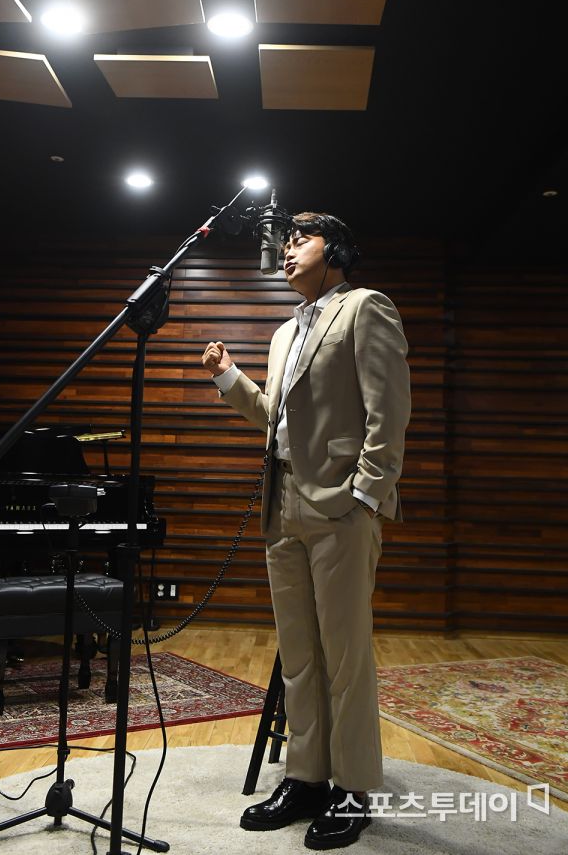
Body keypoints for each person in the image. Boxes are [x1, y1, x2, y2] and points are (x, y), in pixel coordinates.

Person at [202, 212, 411, 850]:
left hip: (341, 508)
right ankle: (306, 776)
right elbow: (273, 415)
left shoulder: (365, 307)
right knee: (299, 655)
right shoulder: (284, 331)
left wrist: (366, 498)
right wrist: (228, 377)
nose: (287, 249)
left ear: (337, 250)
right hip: (283, 503)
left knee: (345, 656)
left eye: (302, 239)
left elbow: (389, 410)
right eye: (286, 239)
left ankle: (352, 787)